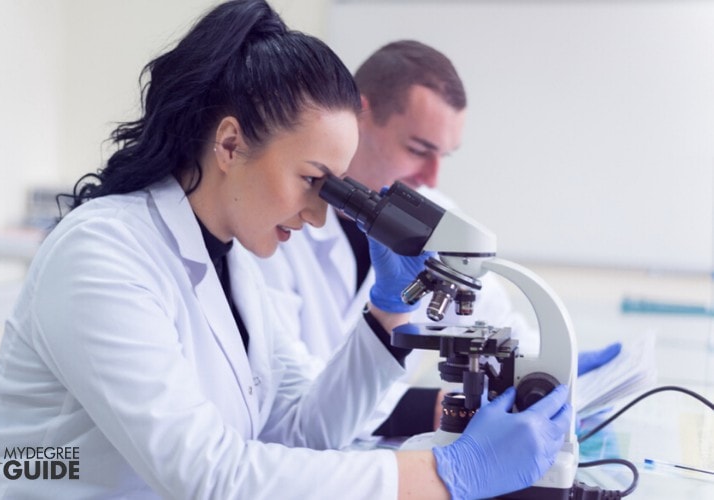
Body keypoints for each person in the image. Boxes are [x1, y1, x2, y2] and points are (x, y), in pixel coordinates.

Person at [0, 2, 572, 499]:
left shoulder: (237, 262)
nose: (324, 211)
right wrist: (446, 477)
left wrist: (387, 314)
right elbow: (210, 478)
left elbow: (301, 431)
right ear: (228, 144)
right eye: (312, 179)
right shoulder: (103, 255)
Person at [256, 40, 621, 437]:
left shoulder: (435, 214)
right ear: (359, 114)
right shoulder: (275, 224)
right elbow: (297, 399)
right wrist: (442, 408)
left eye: (442, 156)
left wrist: (552, 364)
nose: (431, 178)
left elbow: (496, 323)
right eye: (417, 149)